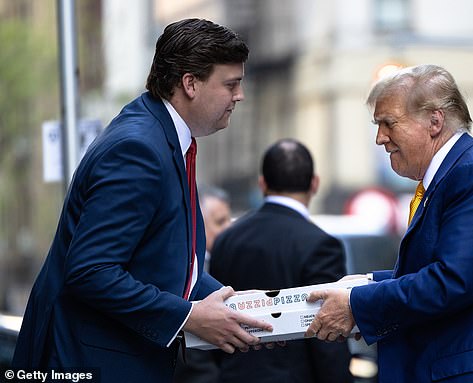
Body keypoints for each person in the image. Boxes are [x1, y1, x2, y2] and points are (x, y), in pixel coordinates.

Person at [12, 18, 272, 383]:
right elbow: (91, 271)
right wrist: (187, 317)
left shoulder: (163, 137)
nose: (239, 95)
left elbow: (163, 261)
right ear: (190, 83)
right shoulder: (138, 149)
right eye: (230, 84)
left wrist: (238, 307)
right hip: (90, 364)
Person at [304, 64, 473, 382]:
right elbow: (448, 272)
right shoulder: (459, 173)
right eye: (377, 125)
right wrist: (363, 285)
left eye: (388, 123)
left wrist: (356, 304)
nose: (380, 138)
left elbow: (452, 281)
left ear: (435, 121)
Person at [209, 138, 354, 383]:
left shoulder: (226, 239)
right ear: (315, 183)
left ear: (262, 184)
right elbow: (327, 334)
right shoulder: (320, 245)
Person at [173, 185, 232, 383]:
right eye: (220, 222)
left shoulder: (229, 260)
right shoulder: (183, 272)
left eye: (228, 221)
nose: (227, 229)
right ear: (197, 225)